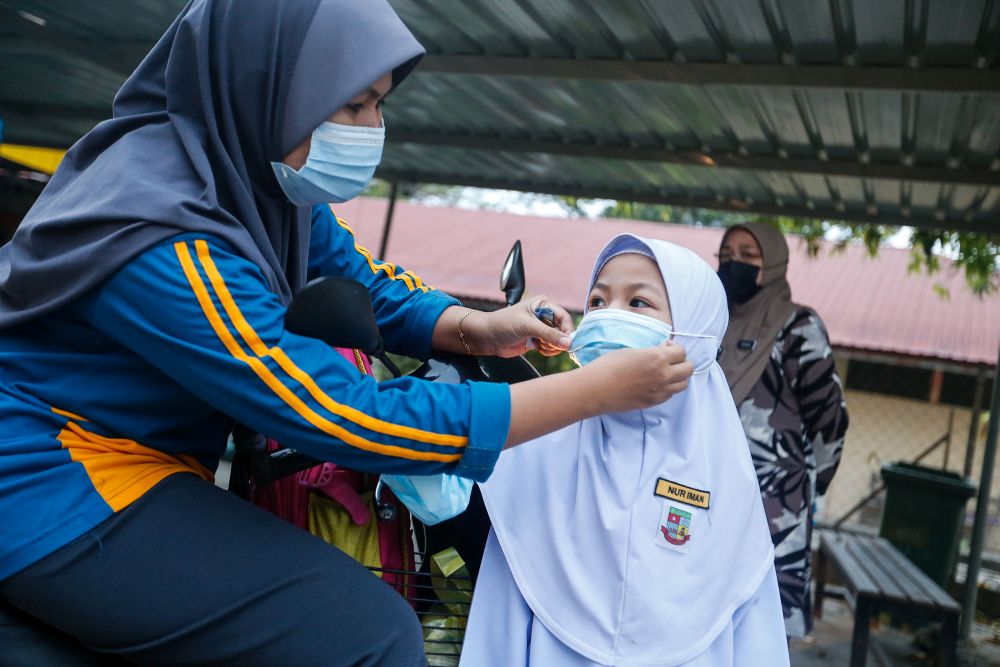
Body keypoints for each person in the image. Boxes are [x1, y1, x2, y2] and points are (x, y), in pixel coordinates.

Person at [0, 1, 694, 664]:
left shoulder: (251, 180)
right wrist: (594, 392)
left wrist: (475, 327)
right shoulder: (163, 233)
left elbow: (357, 275)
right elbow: (337, 411)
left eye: (379, 103)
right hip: (51, 478)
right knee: (368, 632)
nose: (369, 128)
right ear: (264, 87)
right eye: (353, 104)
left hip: (136, 458)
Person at [461, 234, 789, 667]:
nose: (610, 315)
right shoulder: (534, 456)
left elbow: (753, 635)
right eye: (597, 302)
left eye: (639, 304)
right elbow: (496, 628)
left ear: (697, 330)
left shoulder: (730, 488)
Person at [716, 223, 849, 640]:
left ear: (773, 264)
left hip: (777, 505)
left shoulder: (799, 327)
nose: (734, 263)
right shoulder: (711, 320)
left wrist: (809, 483)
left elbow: (829, 419)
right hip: (710, 494)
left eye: (749, 256)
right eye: (726, 254)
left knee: (763, 631)